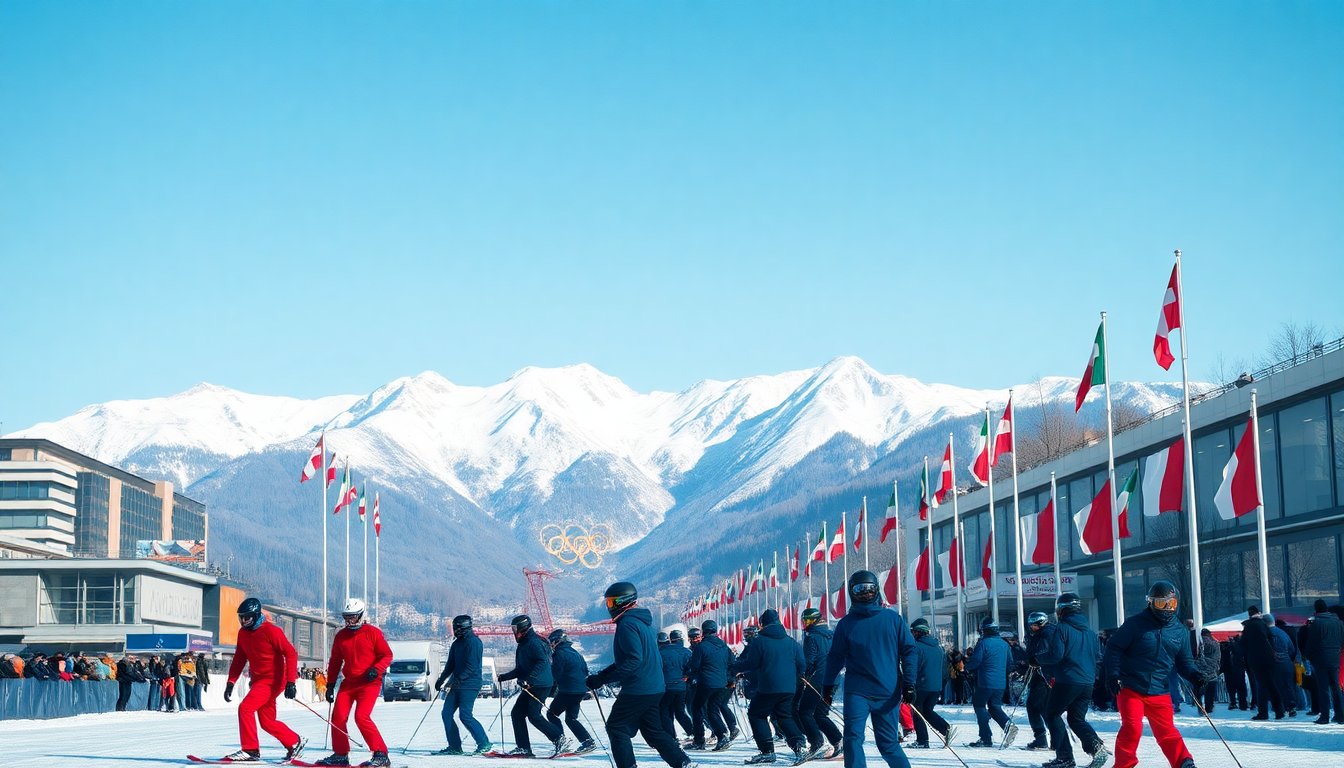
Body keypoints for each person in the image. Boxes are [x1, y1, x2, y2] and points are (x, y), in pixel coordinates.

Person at [584, 581, 693, 768]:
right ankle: (683, 763)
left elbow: (633, 661)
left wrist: (603, 679)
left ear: (623, 601)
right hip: (654, 687)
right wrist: (602, 675)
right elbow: (631, 658)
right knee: (653, 732)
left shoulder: (627, 624)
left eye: (611, 603)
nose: (609, 607)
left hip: (638, 688)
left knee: (617, 728)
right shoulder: (643, 623)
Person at [821, 570, 919, 768]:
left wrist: (910, 683)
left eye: (869, 589)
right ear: (852, 593)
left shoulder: (893, 620)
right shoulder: (847, 624)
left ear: (876, 590)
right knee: (853, 738)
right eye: (860, 590)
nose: (865, 594)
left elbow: (909, 651)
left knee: (888, 744)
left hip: (886, 690)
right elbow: (835, 658)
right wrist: (828, 686)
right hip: (858, 692)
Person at [1102, 581, 1205, 768]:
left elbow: (1185, 663)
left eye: (1170, 604)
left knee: (1166, 730)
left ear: (1176, 603)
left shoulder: (1180, 632)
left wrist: (1194, 675)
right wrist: (1113, 675)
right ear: (1150, 603)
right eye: (1160, 603)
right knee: (1132, 728)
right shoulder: (1135, 624)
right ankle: (1124, 764)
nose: (1166, 609)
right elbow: (1114, 648)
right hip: (1130, 686)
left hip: (1159, 688)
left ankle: (1183, 762)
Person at [221, 596, 307, 763]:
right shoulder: (243, 634)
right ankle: (294, 741)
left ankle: (250, 750)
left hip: (273, 680)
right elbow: (239, 658)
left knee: (245, 708)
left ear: (256, 615)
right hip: (259, 681)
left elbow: (290, 653)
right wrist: (230, 682)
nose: (244, 621)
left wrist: (291, 682)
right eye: (241, 617)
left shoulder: (271, 631)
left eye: (247, 617)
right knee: (267, 722)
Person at [312, 598, 392, 767]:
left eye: (353, 617)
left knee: (361, 716)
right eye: (346, 617)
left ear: (361, 615)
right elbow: (335, 661)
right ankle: (341, 754)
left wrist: (376, 669)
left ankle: (381, 754)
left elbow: (387, 655)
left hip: (369, 682)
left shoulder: (372, 632)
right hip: (349, 683)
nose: (349, 621)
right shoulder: (341, 635)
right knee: (338, 717)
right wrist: (331, 684)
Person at [1036, 593, 1106, 768]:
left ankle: (1065, 757)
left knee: (1051, 714)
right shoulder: (1090, 632)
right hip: (1087, 682)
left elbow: (1055, 655)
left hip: (1068, 680)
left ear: (1061, 610)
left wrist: (1036, 659)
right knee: (1076, 719)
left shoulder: (1062, 628)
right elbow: (1097, 656)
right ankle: (1095, 746)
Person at [731, 609, 806, 764]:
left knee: (756, 714)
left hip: (768, 686)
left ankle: (767, 751)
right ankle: (799, 746)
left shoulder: (760, 641)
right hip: (789, 687)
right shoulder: (791, 641)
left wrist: (735, 667)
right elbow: (801, 665)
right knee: (784, 716)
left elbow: (752, 663)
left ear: (762, 624)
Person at [498, 614, 568, 758]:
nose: (513, 631)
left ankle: (559, 739)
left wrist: (529, 679)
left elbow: (542, 662)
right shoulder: (524, 644)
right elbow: (521, 669)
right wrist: (505, 677)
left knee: (534, 715)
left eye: (515, 628)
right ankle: (524, 749)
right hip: (532, 684)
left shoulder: (533, 642)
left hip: (540, 684)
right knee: (517, 713)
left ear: (522, 627)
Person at [434, 614, 493, 755]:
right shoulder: (456, 643)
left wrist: (456, 680)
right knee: (446, 713)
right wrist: (441, 679)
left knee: (465, 715)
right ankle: (455, 746)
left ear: (464, 627)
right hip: (457, 683)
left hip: (470, 684)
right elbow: (450, 665)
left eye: (457, 627)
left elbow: (471, 666)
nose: (455, 630)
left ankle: (484, 743)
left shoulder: (474, 643)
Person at [798, 608, 844, 758]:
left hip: (819, 680)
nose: (805, 624)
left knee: (804, 711)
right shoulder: (833, 635)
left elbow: (809, 661)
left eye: (807, 621)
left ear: (814, 620)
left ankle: (816, 741)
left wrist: (803, 674)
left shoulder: (812, 637)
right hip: (833, 680)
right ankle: (838, 741)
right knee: (820, 713)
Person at [965, 618, 1017, 748]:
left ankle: (985, 737)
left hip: (985, 681)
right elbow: (1010, 664)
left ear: (984, 630)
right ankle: (1008, 725)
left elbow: (976, 661)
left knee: (979, 705)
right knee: (994, 707)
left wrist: (967, 667)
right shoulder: (1004, 644)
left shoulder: (983, 643)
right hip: (1000, 683)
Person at [547, 629, 597, 754]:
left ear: (558, 641)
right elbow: (585, 670)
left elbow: (556, 674)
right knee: (571, 719)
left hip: (568, 690)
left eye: (552, 642)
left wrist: (548, 688)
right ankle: (587, 741)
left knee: (552, 714)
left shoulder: (559, 654)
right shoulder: (576, 653)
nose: (551, 645)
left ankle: (561, 742)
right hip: (580, 690)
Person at [688, 619, 735, 751]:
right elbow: (732, 662)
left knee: (696, 708)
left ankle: (699, 740)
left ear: (704, 631)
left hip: (706, 683)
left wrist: (691, 676)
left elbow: (694, 666)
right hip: (722, 684)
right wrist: (730, 679)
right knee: (713, 710)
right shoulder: (724, 645)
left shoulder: (701, 646)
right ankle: (722, 735)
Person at [908, 617, 953, 750]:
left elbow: (913, 668)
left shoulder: (917, 647)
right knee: (927, 711)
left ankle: (922, 740)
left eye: (913, 632)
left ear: (917, 632)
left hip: (921, 685)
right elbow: (944, 669)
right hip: (936, 686)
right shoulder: (938, 648)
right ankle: (945, 729)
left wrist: (909, 683)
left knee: (918, 712)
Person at [1304, 599, 1344, 724]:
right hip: (1335, 658)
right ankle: (1340, 715)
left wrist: (1308, 656)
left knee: (1323, 688)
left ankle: (1325, 716)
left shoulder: (1316, 624)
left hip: (1320, 659)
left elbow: (1311, 643)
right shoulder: (1339, 622)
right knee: (1336, 687)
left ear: (1316, 610)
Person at [1020, 612, 1052, 751]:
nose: (1031, 627)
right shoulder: (1037, 635)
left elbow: (1045, 654)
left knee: (1034, 706)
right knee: (1043, 707)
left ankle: (1041, 738)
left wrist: (1034, 660)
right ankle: (1053, 738)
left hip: (1042, 675)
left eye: (1034, 625)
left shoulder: (1045, 635)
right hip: (1040, 675)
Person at [1242, 605, 1281, 719]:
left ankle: (1263, 713)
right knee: (1272, 684)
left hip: (1256, 660)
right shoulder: (1264, 625)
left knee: (1261, 686)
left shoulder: (1249, 626)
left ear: (1249, 614)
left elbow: (1243, 645)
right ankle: (1279, 710)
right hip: (1269, 659)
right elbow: (1270, 640)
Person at [660, 629, 695, 742]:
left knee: (666, 711)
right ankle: (692, 731)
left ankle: (671, 736)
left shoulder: (661, 652)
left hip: (666, 686)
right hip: (681, 686)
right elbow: (694, 667)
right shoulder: (687, 652)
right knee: (680, 711)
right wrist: (687, 676)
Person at [1193, 628, 1220, 714]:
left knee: (1198, 690)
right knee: (1210, 691)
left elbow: (1196, 657)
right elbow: (1219, 657)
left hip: (1200, 671)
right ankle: (1209, 707)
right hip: (1212, 671)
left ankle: (1200, 706)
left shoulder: (1198, 644)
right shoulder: (1216, 644)